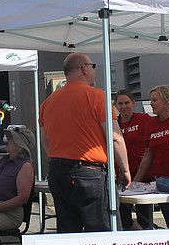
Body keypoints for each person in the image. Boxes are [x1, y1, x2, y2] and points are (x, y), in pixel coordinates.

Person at [39, 53, 130, 233]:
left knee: (67, 232)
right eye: (93, 66)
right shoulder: (97, 97)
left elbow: (45, 141)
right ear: (84, 68)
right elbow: (115, 138)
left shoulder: (48, 102)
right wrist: (125, 170)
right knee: (102, 232)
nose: (94, 71)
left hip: (58, 170)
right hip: (89, 172)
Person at [132, 84, 169, 229]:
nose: (151, 104)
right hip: (163, 181)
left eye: (154, 100)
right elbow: (148, 156)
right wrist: (135, 182)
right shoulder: (151, 124)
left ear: (166, 102)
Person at [115, 90, 155, 230]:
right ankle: (136, 232)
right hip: (122, 177)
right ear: (116, 106)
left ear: (133, 103)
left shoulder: (144, 119)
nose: (124, 106)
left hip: (143, 175)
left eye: (127, 103)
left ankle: (147, 237)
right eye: (120, 103)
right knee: (123, 218)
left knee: (144, 216)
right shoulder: (114, 123)